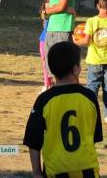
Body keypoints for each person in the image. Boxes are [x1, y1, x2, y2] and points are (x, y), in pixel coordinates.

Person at [23, 41, 103, 178]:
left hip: (56, 171)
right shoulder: (89, 97)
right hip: (87, 170)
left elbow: (33, 141)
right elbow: (94, 137)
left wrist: (36, 173)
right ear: (75, 69)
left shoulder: (44, 99)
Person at [73, 0, 107, 123]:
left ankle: (89, 113)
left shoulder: (91, 21)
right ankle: (106, 116)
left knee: (92, 87)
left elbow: (86, 41)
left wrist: (75, 42)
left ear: (98, 6)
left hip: (94, 61)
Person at [42, 0, 75, 75]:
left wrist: (47, 11)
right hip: (52, 27)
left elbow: (61, 6)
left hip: (62, 28)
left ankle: (69, 90)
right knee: (51, 63)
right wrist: (46, 10)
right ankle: (54, 89)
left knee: (64, 65)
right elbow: (50, 6)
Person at [38, 0, 53, 92]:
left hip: (51, 39)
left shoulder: (54, 17)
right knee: (44, 63)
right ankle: (47, 83)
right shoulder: (46, 16)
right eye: (46, 6)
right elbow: (44, 18)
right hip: (43, 40)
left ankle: (50, 82)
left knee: (50, 62)